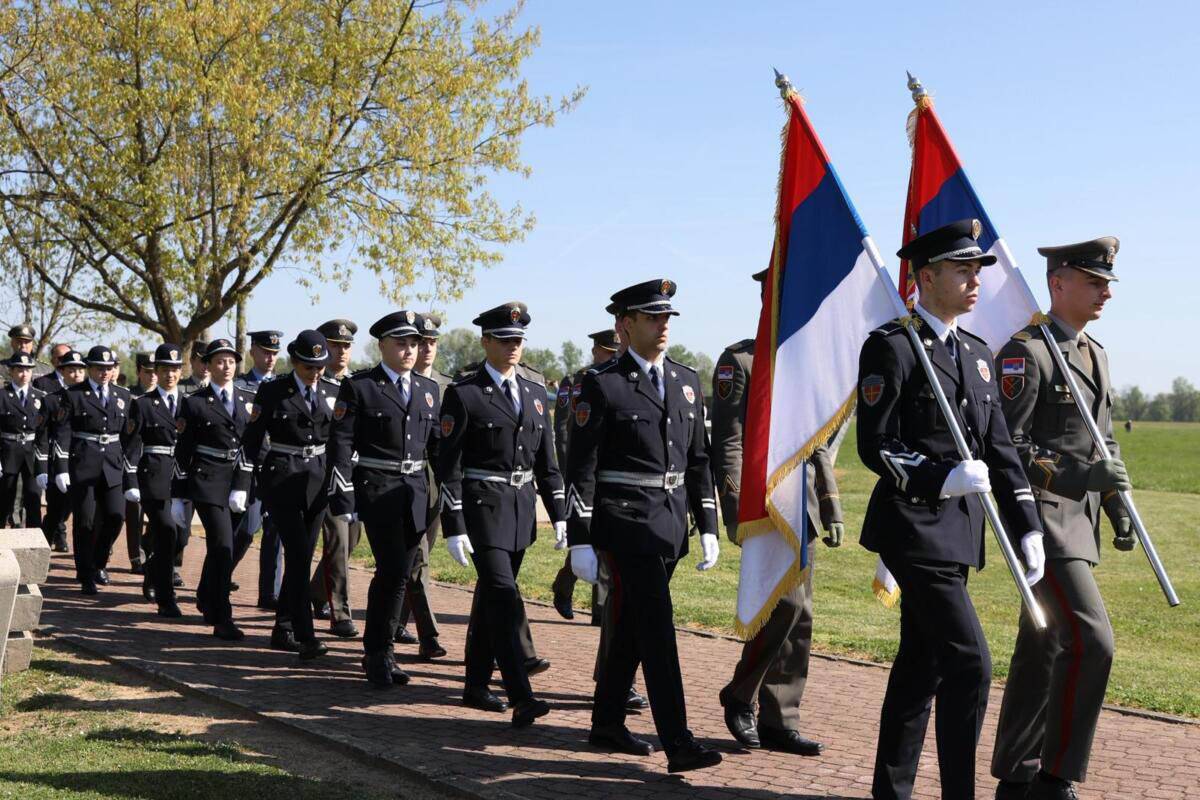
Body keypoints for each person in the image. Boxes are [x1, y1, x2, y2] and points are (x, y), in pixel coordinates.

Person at [857, 219, 1045, 800]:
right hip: (913, 526)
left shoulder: (977, 355)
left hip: (960, 533)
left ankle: (890, 790)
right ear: (926, 276)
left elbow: (1001, 451)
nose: (974, 282)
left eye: (977, 272)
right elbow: (876, 445)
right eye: (962, 271)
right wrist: (941, 477)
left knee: (923, 666)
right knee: (971, 664)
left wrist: (1027, 525)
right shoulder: (892, 345)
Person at [990, 238, 1133, 800]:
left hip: (1081, 522)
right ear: (1058, 283)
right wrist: (1077, 478)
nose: (1105, 292)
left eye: (1107, 283)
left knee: (1044, 646)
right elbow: (1005, 445)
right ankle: (1055, 778)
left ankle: (1017, 772)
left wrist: (1117, 507)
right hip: (1042, 524)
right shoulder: (1028, 352)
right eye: (1095, 281)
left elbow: (1106, 443)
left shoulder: (1094, 352)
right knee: (1092, 640)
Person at [566, 278, 723, 772]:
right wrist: (581, 538)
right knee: (657, 627)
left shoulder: (685, 380)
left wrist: (709, 523)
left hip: (672, 522)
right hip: (625, 520)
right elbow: (582, 465)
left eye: (667, 318)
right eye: (652, 318)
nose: (662, 326)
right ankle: (678, 742)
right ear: (624, 324)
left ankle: (607, 720)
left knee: (633, 624)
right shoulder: (602, 382)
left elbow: (699, 459)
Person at [716, 269, 845, 757]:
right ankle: (740, 695)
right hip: (762, 502)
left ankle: (780, 719)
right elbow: (728, 441)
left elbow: (816, 446)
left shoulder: (803, 364)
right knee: (783, 606)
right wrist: (735, 507)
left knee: (802, 616)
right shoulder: (741, 361)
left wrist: (829, 504)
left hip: (801, 503)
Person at [436, 301, 565, 727]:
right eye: (505, 339)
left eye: (519, 340)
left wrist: (560, 514)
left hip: (520, 509)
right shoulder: (464, 392)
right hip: (481, 506)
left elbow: (547, 462)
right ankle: (521, 696)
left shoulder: (533, 392)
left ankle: (475, 684)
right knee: (505, 597)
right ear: (486, 341)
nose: (514, 347)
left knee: (491, 598)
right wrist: (453, 524)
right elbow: (448, 465)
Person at [326, 311, 441, 687]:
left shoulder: (427, 389)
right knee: (392, 569)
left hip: (415, 492)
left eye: (413, 344)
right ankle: (378, 652)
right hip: (377, 489)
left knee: (400, 573)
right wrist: (342, 491)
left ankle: (380, 649)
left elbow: (436, 446)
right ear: (382, 346)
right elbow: (341, 441)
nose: (409, 350)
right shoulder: (361, 387)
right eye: (401, 343)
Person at [240, 330, 335, 661]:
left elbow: (337, 439)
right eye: (309, 367)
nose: (316, 373)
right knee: (296, 554)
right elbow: (252, 438)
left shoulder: (332, 391)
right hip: (282, 480)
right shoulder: (273, 390)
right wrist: (255, 478)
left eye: (321, 366)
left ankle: (282, 628)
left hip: (318, 482)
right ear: (295, 362)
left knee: (303, 556)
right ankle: (306, 636)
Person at [172, 338, 256, 640]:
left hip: (239, 480)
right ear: (207, 365)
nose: (226, 367)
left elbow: (252, 445)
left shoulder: (248, 399)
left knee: (234, 542)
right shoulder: (195, 402)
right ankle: (222, 617)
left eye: (231, 361)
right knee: (221, 547)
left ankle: (207, 595)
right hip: (207, 480)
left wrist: (244, 484)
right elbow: (183, 451)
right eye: (219, 361)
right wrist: (178, 496)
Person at [49, 345, 133, 594]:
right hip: (83, 463)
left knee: (116, 516)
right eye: (99, 368)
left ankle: (98, 562)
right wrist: (62, 467)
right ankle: (85, 573)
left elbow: (129, 435)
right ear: (90, 369)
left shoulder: (123, 395)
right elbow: (62, 432)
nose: (105, 373)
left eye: (109, 368)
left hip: (113, 464)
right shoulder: (74, 395)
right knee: (85, 521)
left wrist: (130, 468)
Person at [550, 329, 620, 622]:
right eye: (609, 352)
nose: (615, 356)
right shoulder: (579, 380)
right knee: (588, 536)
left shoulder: (620, 378)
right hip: (582, 472)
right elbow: (565, 429)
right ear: (596, 351)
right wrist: (569, 473)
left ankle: (600, 610)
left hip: (612, 473)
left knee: (605, 540)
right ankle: (566, 587)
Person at [394, 312, 450, 659]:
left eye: (431, 342)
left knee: (414, 556)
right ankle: (429, 634)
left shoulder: (448, 386)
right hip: (407, 482)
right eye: (421, 342)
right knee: (418, 560)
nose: (426, 348)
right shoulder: (401, 381)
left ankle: (397, 621)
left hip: (438, 482)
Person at [122, 344, 187, 616]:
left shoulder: (190, 403)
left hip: (183, 477)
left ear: (180, 372)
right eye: (164, 369)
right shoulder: (143, 405)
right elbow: (131, 446)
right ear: (156, 372)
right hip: (153, 475)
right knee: (166, 531)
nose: (169, 375)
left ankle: (151, 570)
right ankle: (166, 598)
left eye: (174, 369)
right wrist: (131, 482)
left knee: (180, 538)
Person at [308, 319, 363, 639]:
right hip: (321, 474)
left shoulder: (360, 385)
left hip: (352, 476)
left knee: (352, 538)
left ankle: (315, 592)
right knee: (339, 541)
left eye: (346, 346)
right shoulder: (315, 384)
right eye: (334, 345)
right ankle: (340, 613)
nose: (341, 352)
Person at [236, 329, 284, 610]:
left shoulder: (282, 386)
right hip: (249, 470)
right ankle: (217, 578)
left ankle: (269, 594)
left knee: (274, 532)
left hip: (276, 470)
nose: (270, 358)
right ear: (252, 351)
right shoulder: (240, 386)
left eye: (274, 353)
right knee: (245, 530)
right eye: (265, 352)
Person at [38, 348, 85, 552]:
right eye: (71, 370)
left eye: (79, 370)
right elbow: (42, 435)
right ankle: (43, 550)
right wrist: (42, 468)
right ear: (62, 372)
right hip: (58, 464)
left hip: (84, 463)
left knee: (83, 514)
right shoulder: (51, 400)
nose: (76, 375)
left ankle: (85, 561)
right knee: (56, 512)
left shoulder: (91, 399)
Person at [0, 352, 48, 530]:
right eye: (19, 369)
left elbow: (43, 432)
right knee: (4, 499)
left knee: (34, 499)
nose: (24, 374)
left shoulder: (40, 397)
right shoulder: (2, 396)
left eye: (28, 370)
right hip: (7, 451)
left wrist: (43, 462)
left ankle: (34, 545)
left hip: (31, 453)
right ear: (11, 371)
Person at [125, 352, 157, 574]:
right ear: (138, 373)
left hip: (156, 463)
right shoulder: (129, 398)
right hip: (134, 460)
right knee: (133, 512)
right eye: (147, 372)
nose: (153, 376)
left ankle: (152, 549)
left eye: (156, 371)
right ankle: (136, 557)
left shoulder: (163, 397)